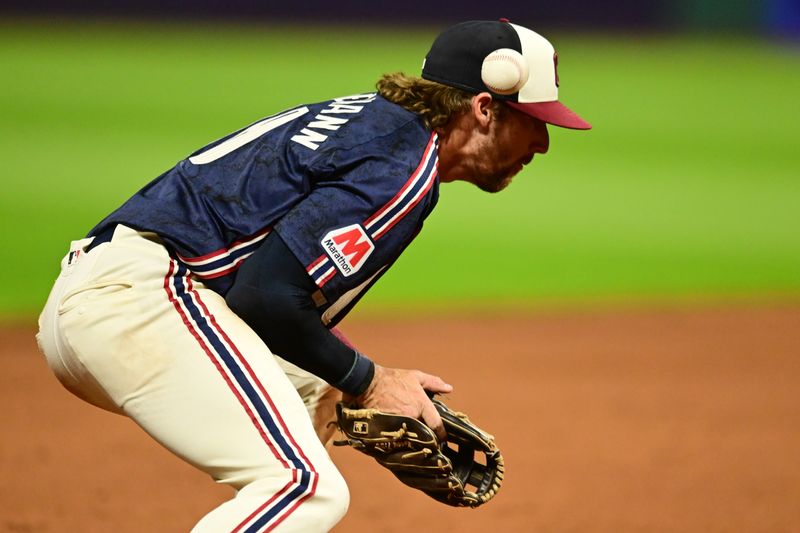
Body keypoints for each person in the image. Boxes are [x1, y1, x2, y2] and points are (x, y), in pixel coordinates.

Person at [36, 18, 590, 532]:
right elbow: (265, 297)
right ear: (485, 108)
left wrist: (357, 389)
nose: (542, 143)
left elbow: (264, 291)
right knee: (306, 489)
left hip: (109, 296)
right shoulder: (400, 165)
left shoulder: (380, 126)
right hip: (145, 301)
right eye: (534, 122)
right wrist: (374, 380)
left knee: (324, 397)